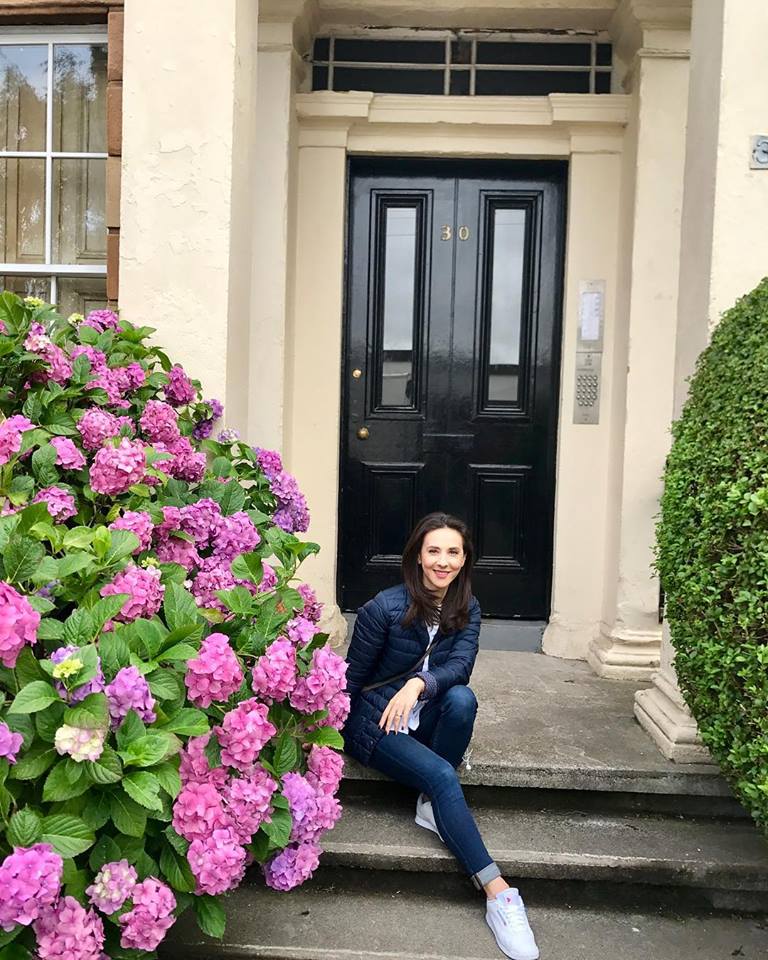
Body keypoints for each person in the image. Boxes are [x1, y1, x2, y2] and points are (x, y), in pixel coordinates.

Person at [343, 512, 539, 960]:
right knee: (443, 777)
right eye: (434, 551)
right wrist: (326, 737)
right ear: (417, 556)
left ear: (465, 559)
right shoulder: (382, 609)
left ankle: (432, 803)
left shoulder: (467, 606)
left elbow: (461, 667)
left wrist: (419, 684)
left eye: (453, 552)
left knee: (462, 699)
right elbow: (349, 684)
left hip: (424, 713)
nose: (443, 561)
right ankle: (499, 893)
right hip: (376, 722)